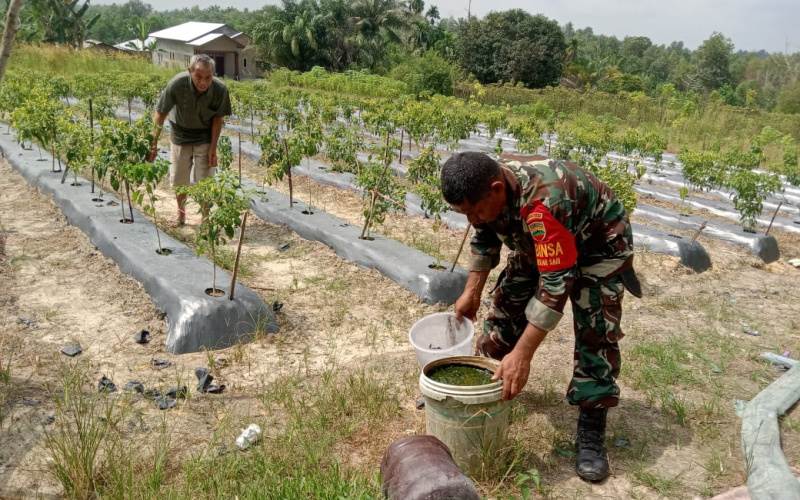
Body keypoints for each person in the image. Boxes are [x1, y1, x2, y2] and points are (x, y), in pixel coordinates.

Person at [441, 151, 642, 482]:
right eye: (464, 213)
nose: (472, 220)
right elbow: (485, 235)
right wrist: (471, 292)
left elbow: (555, 284)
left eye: (475, 210)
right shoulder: (489, 190)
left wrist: (523, 354)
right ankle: (474, 390)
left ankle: (592, 426)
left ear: (496, 189)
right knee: (507, 306)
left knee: (596, 329)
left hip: (598, 247)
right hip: (542, 243)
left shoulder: (545, 203)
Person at [147, 54, 232, 225]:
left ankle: (206, 220)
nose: (203, 82)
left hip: (205, 136)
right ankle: (181, 215)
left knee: (205, 181)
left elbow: (217, 120)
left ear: (213, 75)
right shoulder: (177, 84)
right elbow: (160, 113)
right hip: (180, 135)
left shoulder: (220, 90)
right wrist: (153, 143)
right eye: (199, 77)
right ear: (190, 72)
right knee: (180, 180)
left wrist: (213, 149)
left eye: (208, 78)